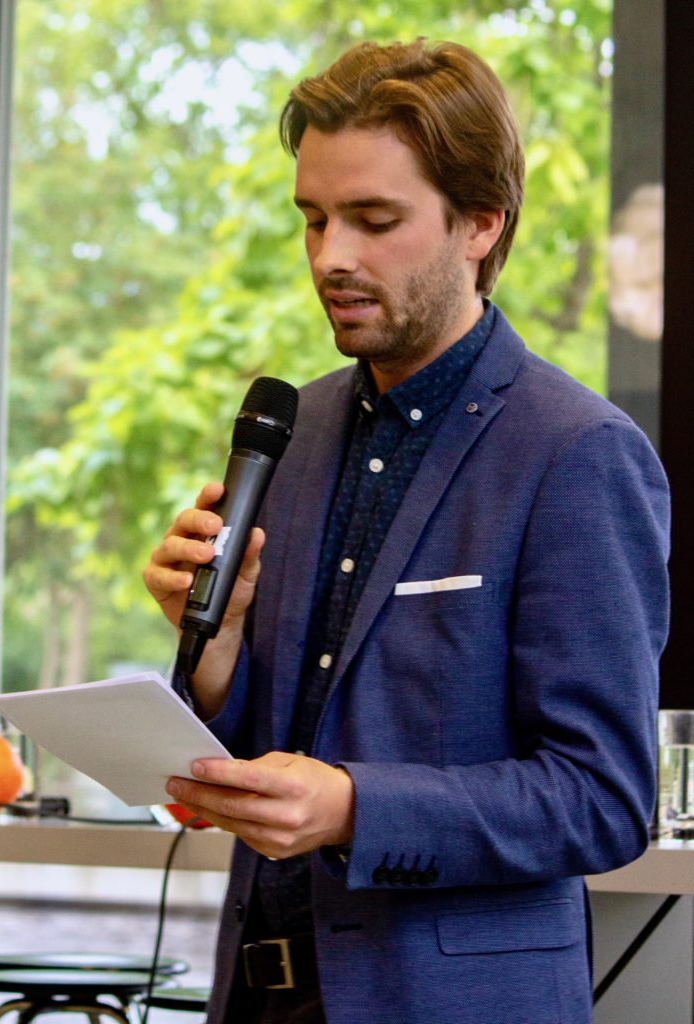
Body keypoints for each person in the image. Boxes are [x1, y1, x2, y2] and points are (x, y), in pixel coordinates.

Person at [143, 38, 670, 1024]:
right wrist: (214, 652)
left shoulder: (577, 454)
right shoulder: (293, 431)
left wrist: (352, 807)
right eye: (313, 219)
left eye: (373, 220)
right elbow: (273, 748)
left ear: (481, 221)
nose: (329, 257)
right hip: (258, 996)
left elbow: (601, 799)